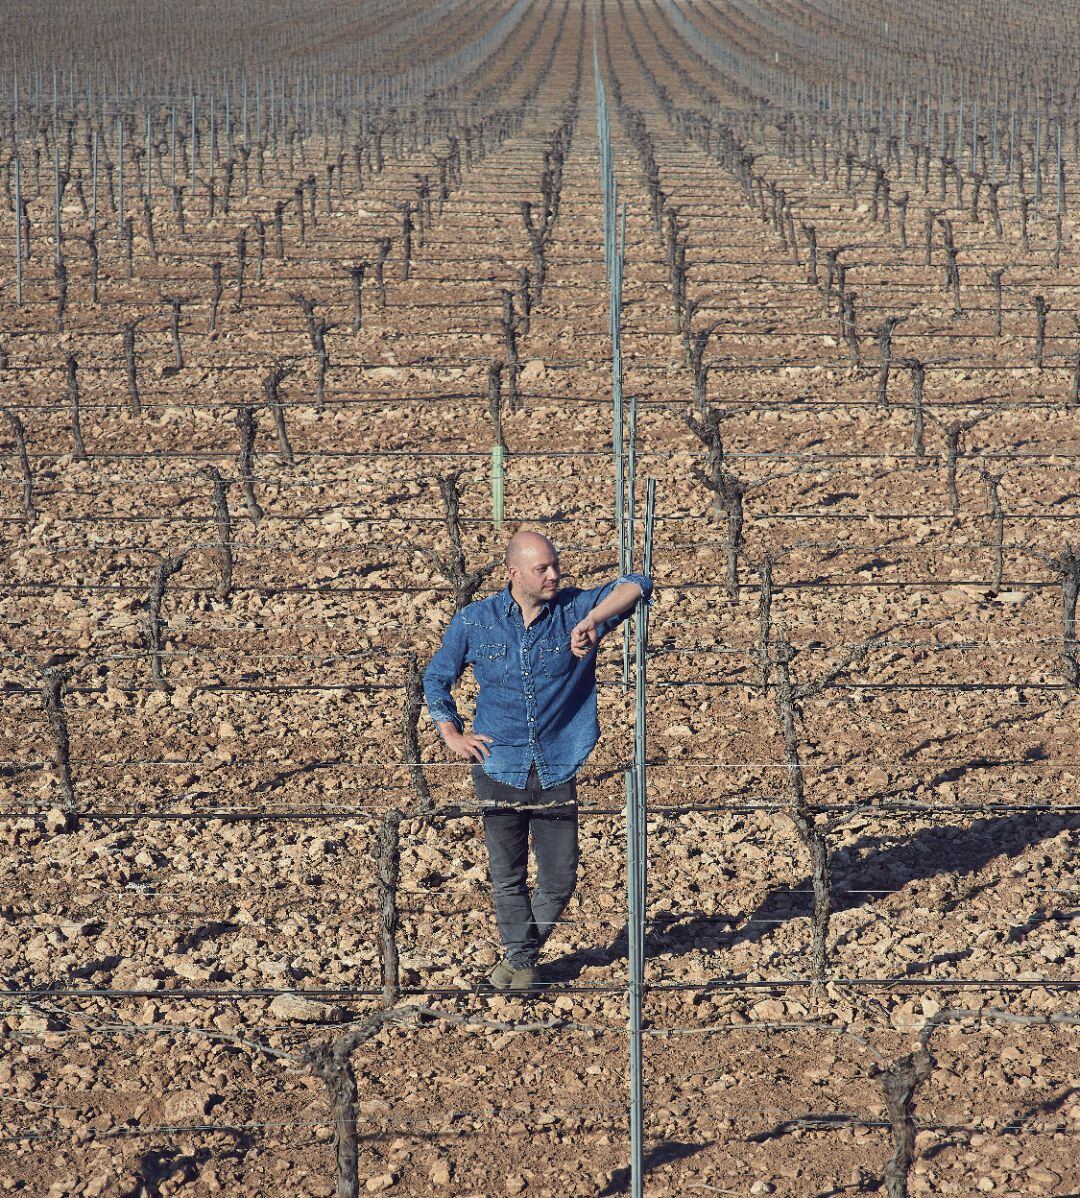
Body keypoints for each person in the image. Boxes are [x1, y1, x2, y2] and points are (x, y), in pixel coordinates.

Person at [423, 530, 653, 992]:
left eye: (555, 565)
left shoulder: (574, 610)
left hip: (557, 763)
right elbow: (437, 677)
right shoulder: (476, 620)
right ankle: (523, 969)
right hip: (496, 765)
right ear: (514, 574)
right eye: (541, 568)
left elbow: (638, 583)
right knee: (507, 878)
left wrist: (594, 620)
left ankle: (516, 961)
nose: (553, 575)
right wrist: (452, 734)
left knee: (559, 878)